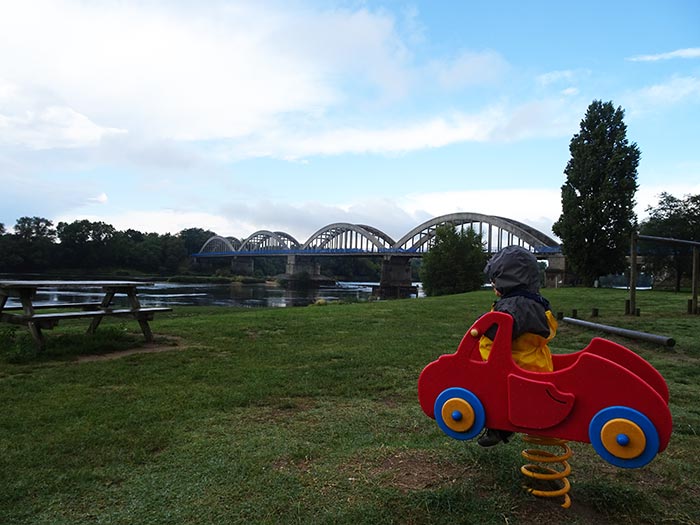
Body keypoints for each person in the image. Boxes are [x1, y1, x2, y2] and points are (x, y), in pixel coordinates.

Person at [476, 245, 558, 447]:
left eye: (495, 280)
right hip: (533, 361)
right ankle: (502, 427)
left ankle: (498, 427)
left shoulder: (513, 305)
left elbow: (500, 331)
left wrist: (483, 325)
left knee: (494, 392)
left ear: (508, 280)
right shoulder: (533, 301)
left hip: (517, 364)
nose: (493, 285)